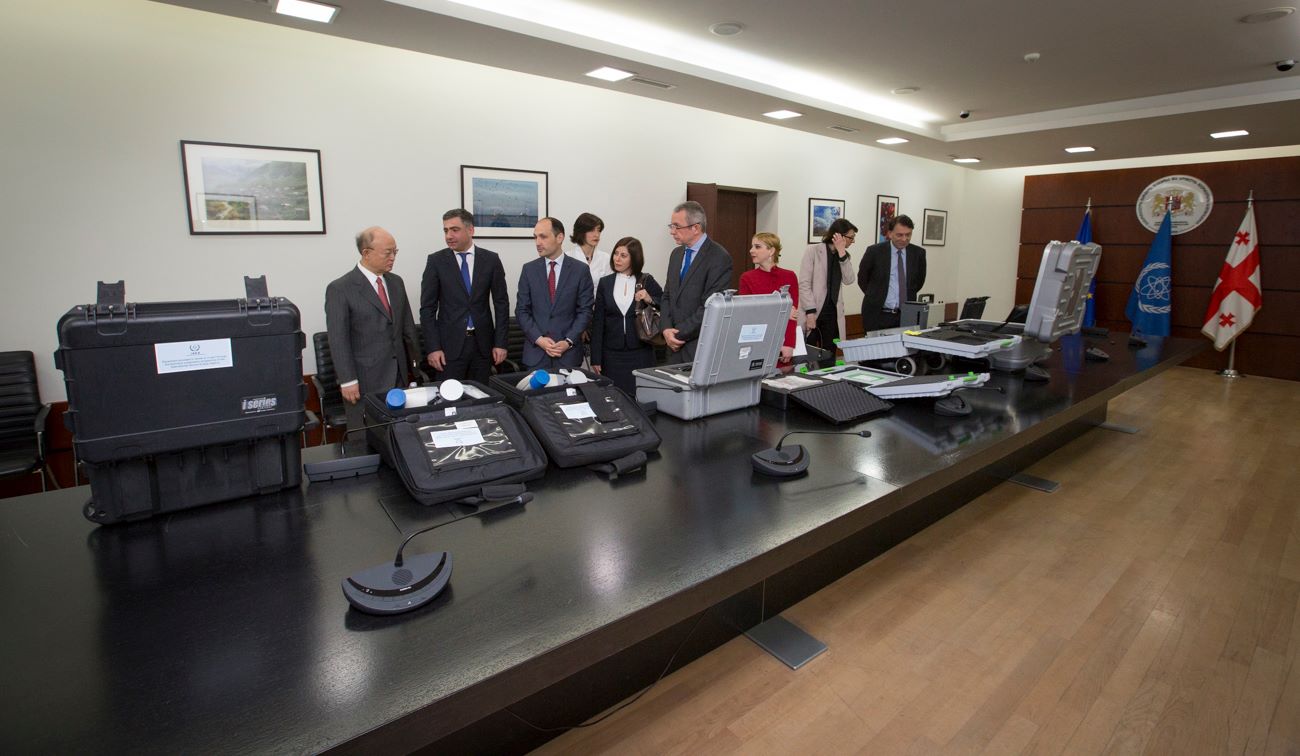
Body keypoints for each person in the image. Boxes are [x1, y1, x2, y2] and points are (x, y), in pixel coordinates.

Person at [324, 226, 421, 434]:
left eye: (395, 251)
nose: (393, 257)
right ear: (366, 253)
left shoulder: (396, 282)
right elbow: (338, 339)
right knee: (367, 436)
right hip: (365, 379)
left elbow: (407, 328)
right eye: (388, 252)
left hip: (399, 375)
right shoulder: (341, 288)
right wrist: (348, 380)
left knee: (401, 434)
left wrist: (415, 368)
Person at [419, 209, 510, 384]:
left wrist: (501, 343)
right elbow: (427, 309)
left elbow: (501, 304)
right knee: (450, 397)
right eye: (446, 230)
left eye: (455, 230)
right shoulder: (436, 261)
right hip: (449, 348)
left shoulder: (491, 260)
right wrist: (433, 348)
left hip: (483, 346)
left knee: (483, 395)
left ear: (470, 230)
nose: (449, 236)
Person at [660, 201, 734, 364]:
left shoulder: (719, 257)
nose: (672, 232)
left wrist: (677, 334)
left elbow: (710, 306)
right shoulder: (676, 254)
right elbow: (667, 295)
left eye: (677, 226)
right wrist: (666, 329)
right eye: (671, 226)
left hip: (698, 347)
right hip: (672, 347)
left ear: (695, 228)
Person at [516, 217, 594, 370]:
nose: (538, 242)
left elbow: (585, 311)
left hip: (568, 356)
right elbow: (521, 310)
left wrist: (568, 341)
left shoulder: (580, 270)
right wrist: (539, 339)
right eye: (535, 237)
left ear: (559, 238)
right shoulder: (528, 270)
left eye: (543, 237)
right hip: (536, 355)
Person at [591, 237, 662, 395]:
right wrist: (595, 358)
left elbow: (665, 303)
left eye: (623, 255)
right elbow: (598, 322)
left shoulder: (646, 280)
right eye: (616, 253)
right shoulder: (605, 283)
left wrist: (649, 299)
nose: (617, 258)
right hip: (611, 354)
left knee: (642, 397)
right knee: (614, 397)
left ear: (634, 258)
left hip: (641, 351)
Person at [857, 214, 926, 332]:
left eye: (908, 234)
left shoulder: (918, 253)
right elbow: (862, 279)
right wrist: (875, 295)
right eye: (900, 235)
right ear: (890, 234)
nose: (904, 239)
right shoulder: (874, 252)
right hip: (878, 315)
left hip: (906, 316)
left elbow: (918, 282)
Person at [738, 232, 799, 364]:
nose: (751, 250)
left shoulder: (789, 276)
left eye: (757, 246)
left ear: (771, 251)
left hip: (781, 342)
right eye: (752, 246)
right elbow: (748, 314)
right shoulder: (747, 278)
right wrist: (782, 312)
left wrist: (789, 344)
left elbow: (792, 316)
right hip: (755, 340)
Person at [798, 218, 858, 348]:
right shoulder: (813, 251)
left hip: (833, 314)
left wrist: (842, 253)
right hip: (813, 310)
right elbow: (804, 284)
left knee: (829, 353)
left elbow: (849, 280)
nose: (852, 241)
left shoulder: (844, 256)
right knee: (809, 353)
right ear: (839, 236)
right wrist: (810, 312)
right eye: (851, 238)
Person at [566, 212, 612, 288]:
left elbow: (608, 288)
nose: (596, 235)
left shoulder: (606, 258)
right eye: (592, 230)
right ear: (581, 232)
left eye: (598, 230)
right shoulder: (567, 257)